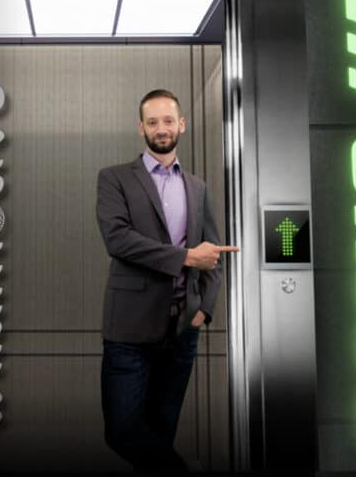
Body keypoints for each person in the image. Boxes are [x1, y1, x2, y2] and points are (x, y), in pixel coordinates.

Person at [96, 89, 239, 472]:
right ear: (141, 127)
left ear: (182, 125)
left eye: (169, 120)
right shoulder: (113, 179)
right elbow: (119, 240)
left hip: (181, 329)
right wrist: (186, 257)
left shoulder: (197, 186)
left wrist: (203, 312)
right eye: (153, 121)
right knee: (123, 431)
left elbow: (213, 253)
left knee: (161, 433)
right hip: (129, 327)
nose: (162, 128)